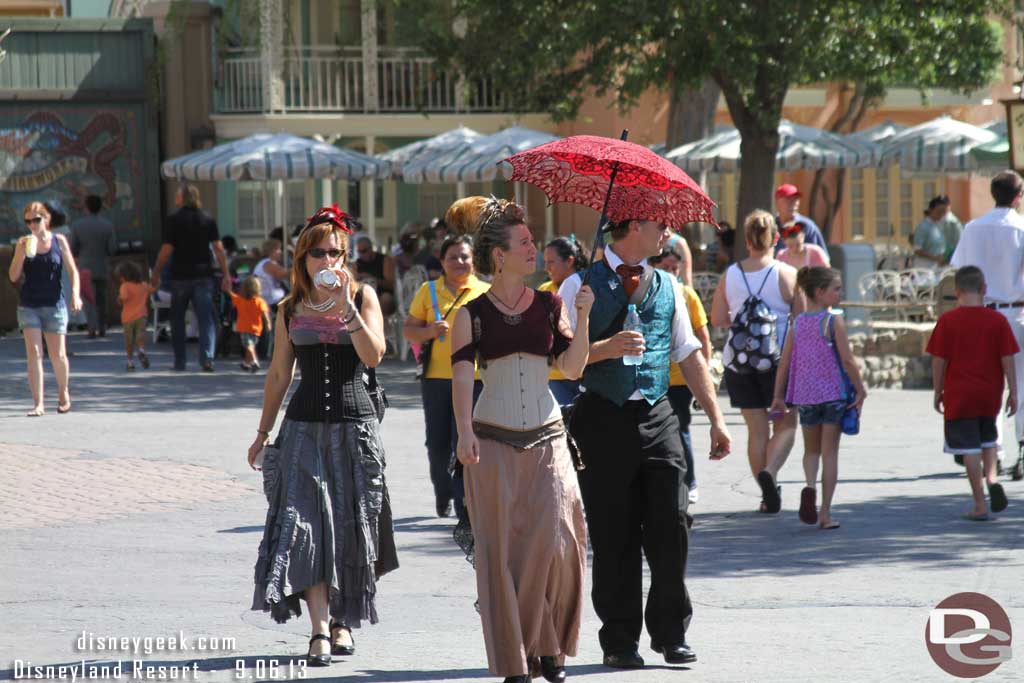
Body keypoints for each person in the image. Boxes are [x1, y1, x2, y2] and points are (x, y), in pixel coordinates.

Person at [560, 218, 731, 670]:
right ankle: (619, 640)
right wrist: (605, 347)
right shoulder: (578, 284)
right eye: (660, 225)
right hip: (601, 417)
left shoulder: (670, 285)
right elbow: (562, 364)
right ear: (634, 226)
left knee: (672, 523)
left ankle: (671, 633)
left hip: (659, 415)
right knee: (613, 534)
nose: (667, 234)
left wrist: (716, 419)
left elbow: (688, 352)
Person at [449, 197, 594, 683]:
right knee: (502, 554)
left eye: (533, 242)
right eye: (525, 243)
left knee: (558, 545)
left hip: (549, 437)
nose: (534, 248)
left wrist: (584, 314)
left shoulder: (551, 305)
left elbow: (572, 368)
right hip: (490, 440)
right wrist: (464, 432)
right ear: (499, 256)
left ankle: (550, 644)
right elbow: (463, 379)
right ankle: (516, 661)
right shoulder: (470, 315)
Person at [249, 204, 396, 667]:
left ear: (345, 255)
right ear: (302, 259)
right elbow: (277, 375)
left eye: (335, 252)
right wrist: (262, 432)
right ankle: (317, 630)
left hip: (355, 429)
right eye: (317, 254)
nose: (326, 261)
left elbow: (374, 357)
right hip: (303, 430)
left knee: (351, 528)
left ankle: (343, 623)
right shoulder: (290, 308)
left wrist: (346, 308)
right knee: (307, 527)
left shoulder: (364, 295)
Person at [711, 210, 802, 514]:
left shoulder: (730, 275)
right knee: (787, 423)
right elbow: (802, 320)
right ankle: (771, 472)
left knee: (757, 430)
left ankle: (767, 495)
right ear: (776, 238)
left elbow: (718, 319)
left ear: (746, 240)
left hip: (739, 363)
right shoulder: (786, 274)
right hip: (778, 361)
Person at [770, 267, 867, 530]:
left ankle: (810, 486)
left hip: (806, 397)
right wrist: (860, 389)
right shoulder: (833, 320)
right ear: (820, 292)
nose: (840, 293)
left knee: (810, 451)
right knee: (830, 453)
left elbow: (785, 362)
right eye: (836, 288)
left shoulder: (798, 323)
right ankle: (825, 513)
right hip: (833, 395)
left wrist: (778, 396)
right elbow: (847, 360)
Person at [403, 229, 490, 517]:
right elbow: (408, 329)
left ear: (474, 260)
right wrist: (428, 331)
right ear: (442, 261)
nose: (459, 262)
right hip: (437, 379)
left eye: (465, 256)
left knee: (464, 439)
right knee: (438, 442)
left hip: (476, 379)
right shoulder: (427, 291)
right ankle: (443, 493)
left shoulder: (486, 292)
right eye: (453, 257)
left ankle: (464, 498)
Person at [926, 266, 1017, 520]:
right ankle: (991, 478)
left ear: (956, 292)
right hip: (990, 392)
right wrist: (1013, 391)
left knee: (969, 448)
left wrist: (937, 390)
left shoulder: (947, 321)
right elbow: (1007, 357)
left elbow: (938, 360)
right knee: (988, 441)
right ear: (984, 290)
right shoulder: (997, 321)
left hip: (959, 393)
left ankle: (979, 503)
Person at [950, 171, 1024, 479]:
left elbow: (960, 268)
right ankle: (1022, 447)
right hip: (1017, 311)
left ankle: (991, 449)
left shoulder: (973, 227)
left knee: (989, 383)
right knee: (1020, 382)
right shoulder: (1021, 227)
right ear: (1018, 195)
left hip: (982, 310)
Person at [8, 201, 83, 416]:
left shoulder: (59, 241)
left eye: (36, 220)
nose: (32, 224)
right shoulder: (23, 243)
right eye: (28, 221)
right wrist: (20, 253)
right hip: (29, 304)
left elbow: (73, 271)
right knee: (34, 353)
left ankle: (63, 392)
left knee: (58, 354)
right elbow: (13, 276)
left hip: (54, 304)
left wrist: (76, 295)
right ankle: (38, 403)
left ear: (46, 219)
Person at [652, 252, 713, 506]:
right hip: (655, 376)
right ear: (655, 266)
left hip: (680, 378)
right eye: (666, 267)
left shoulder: (687, 295)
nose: (671, 272)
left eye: (675, 268)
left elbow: (702, 335)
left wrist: (706, 371)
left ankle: (690, 482)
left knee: (681, 429)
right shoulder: (650, 291)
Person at [151, 184, 231, 372]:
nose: (176, 198)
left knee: (177, 318)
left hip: (180, 276)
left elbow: (166, 250)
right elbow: (218, 248)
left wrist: (156, 272)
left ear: (183, 197)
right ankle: (207, 358)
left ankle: (180, 361)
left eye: (178, 195)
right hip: (204, 275)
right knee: (206, 318)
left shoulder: (174, 220)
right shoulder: (207, 218)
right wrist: (226, 272)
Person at [540, 236, 589, 406]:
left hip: (587, 374)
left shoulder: (588, 287)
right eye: (544, 262)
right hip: (556, 378)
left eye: (551, 262)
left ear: (569, 261)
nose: (546, 268)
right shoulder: (543, 291)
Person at [71, 194, 117, 338]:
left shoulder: (78, 226)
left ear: (86, 207)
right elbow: (112, 249)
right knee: (102, 298)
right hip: (102, 265)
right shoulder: (108, 226)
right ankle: (102, 327)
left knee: (87, 298)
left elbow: (73, 247)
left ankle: (92, 328)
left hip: (85, 266)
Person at [226, 275, 272, 373]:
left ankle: (254, 361)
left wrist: (228, 288)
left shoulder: (240, 300)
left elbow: (231, 295)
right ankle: (247, 363)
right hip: (256, 329)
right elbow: (265, 313)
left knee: (248, 345)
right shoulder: (260, 301)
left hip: (244, 327)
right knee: (250, 345)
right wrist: (268, 323)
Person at [115, 261, 154, 371]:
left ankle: (130, 362)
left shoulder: (125, 286)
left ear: (123, 277)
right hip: (142, 315)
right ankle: (141, 350)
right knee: (140, 337)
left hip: (128, 318)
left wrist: (119, 299)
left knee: (129, 341)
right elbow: (152, 289)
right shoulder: (143, 285)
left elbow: (124, 297)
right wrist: (157, 281)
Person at [773, 184, 827, 254]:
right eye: (788, 199)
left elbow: (822, 257)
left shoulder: (807, 226)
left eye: (796, 199)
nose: (793, 204)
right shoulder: (771, 227)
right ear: (778, 203)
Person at [354, 235, 397, 314]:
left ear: (371, 249)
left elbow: (391, 285)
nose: (361, 254)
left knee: (386, 299)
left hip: (382, 293)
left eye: (364, 251)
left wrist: (373, 279)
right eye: (359, 252)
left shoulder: (384, 260)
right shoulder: (357, 264)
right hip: (363, 293)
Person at [912, 196, 951, 269]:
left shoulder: (940, 225)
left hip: (938, 267)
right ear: (930, 210)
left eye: (944, 212)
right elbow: (917, 250)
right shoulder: (923, 227)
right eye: (939, 211)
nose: (941, 214)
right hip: (924, 267)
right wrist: (934, 257)